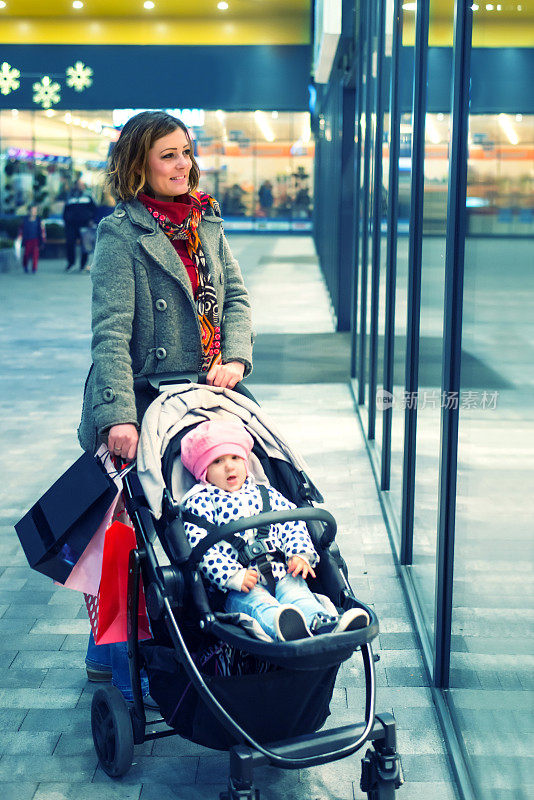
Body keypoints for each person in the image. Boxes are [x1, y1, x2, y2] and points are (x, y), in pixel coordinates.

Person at [77, 111, 253, 700]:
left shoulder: (207, 219)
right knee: (130, 534)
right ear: (140, 166)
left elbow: (236, 297)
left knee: (234, 485)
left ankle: (234, 606)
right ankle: (108, 647)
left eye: (186, 152)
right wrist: (117, 414)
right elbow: (110, 330)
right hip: (147, 393)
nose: (183, 165)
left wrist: (236, 357)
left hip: (212, 388)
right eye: (168, 156)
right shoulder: (121, 233)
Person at [180, 420, 370, 641]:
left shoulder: (265, 493)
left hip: (282, 571)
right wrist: (231, 575)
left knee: (298, 595)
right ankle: (283, 625)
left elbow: (292, 524)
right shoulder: (201, 502)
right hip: (238, 586)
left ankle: (322, 623)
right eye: (217, 461)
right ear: (203, 472)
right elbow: (201, 546)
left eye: (235, 458)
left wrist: (299, 553)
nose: (229, 467)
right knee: (259, 605)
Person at [63, 178, 97, 271]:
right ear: (75, 185)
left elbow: (94, 210)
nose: (79, 186)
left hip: (84, 224)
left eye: (81, 184)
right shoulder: (70, 196)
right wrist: (66, 221)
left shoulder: (88, 196)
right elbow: (65, 211)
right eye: (77, 184)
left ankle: (82, 265)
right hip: (71, 225)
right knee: (70, 244)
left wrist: (91, 220)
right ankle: (71, 264)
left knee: (85, 245)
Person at [19, 204, 45, 273]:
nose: (34, 212)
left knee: (35, 255)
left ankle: (34, 268)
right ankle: (25, 266)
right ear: (29, 211)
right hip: (27, 240)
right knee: (26, 254)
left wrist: (42, 241)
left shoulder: (38, 220)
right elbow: (21, 230)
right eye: (32, 210)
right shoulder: (25, 220)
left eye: (35, 210)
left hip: (35, 240)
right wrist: (20, 238)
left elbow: (42, 231)